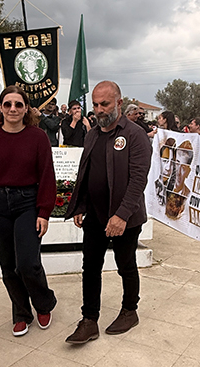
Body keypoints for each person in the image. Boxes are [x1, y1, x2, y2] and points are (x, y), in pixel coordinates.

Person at [64, 81, 151, 344]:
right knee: (90, 267)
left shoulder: (135, 135)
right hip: (95, 215)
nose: (99, 110)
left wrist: (122, 215)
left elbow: (138, 180)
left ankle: (129, 310)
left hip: (126, 217)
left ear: (119, 103)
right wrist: (80, 205)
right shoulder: (92, 134)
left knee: (126, 265)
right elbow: (86, 174)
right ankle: (89, 320)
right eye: (96, 104)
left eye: (105, 104)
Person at [0, 85, 57, 337]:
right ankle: (21, 313)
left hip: (27, 203)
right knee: (8, 264)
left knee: (28, 263)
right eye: (7, 104)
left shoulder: (38, 137)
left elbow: (46, 176)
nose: (13, 109)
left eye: (18, 104)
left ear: (26, 108)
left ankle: (44, 303)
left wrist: (44, 211)